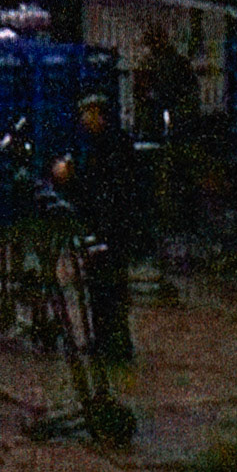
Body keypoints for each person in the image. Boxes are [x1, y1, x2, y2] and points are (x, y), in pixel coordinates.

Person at [52, 93, 141, 363]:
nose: (84, 120)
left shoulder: (113, 145)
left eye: (89, 115)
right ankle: (103, 340)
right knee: (98, 286)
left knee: (110, 286)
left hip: (113, 227)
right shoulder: (98, 143)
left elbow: (99, 182)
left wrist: (71, 175)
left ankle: (116, 344)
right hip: (101, 224)